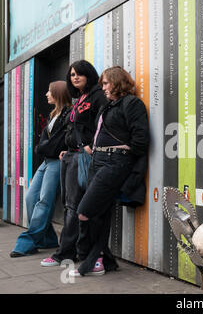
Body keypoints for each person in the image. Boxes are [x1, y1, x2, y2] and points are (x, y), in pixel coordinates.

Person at [69, 66, 149, 276]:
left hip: (114, 162)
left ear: (116, 82)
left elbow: (141, 139)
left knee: (84, 211)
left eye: (106, 83)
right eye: (102, 84)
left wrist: (124, 149)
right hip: (98, 160)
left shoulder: (132, 103)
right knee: (99, 214)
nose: (103, 87)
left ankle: (89, 257)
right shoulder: (110, 106)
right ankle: (103, 261)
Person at [41, 60, 108, 267]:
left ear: (89, 74)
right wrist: (67, 148)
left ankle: (65, 253)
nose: (75, 77)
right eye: (71, 75)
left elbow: (103, 124)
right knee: (72, 206)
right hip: (71, 156)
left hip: (84, 158)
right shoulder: (79, 98)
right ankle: (78, 251)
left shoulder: (97, 95)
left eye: (79, 74)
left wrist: (91, 146)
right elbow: (74, 128)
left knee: (76, 207)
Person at [10, 81, 72, 257]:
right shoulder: (54, 114)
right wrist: (44, 147)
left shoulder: (68, 115)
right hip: (46, 162)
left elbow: (52, 145)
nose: (46, 94)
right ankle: (49, 239)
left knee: (44, 200)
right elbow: (43, 146)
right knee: (31, 198)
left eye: (50, 91)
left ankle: (28, 242)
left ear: (58, 94)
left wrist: (44, 146)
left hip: (58, 162)